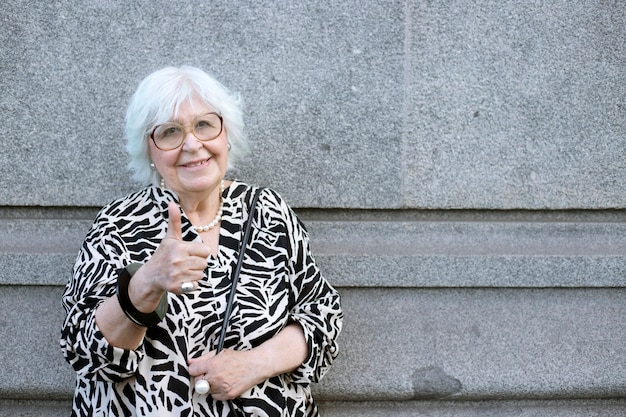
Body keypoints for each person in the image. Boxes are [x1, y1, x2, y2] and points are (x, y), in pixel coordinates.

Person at [60, 66, 343, 417]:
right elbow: (85, 352)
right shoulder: (119, 224)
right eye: (170, 132)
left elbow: (322, 315)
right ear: (148, 149)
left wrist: (255, 364)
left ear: (226, 134)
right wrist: (146, 283)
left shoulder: (269, 212)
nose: (192, 144)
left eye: (205, 125)